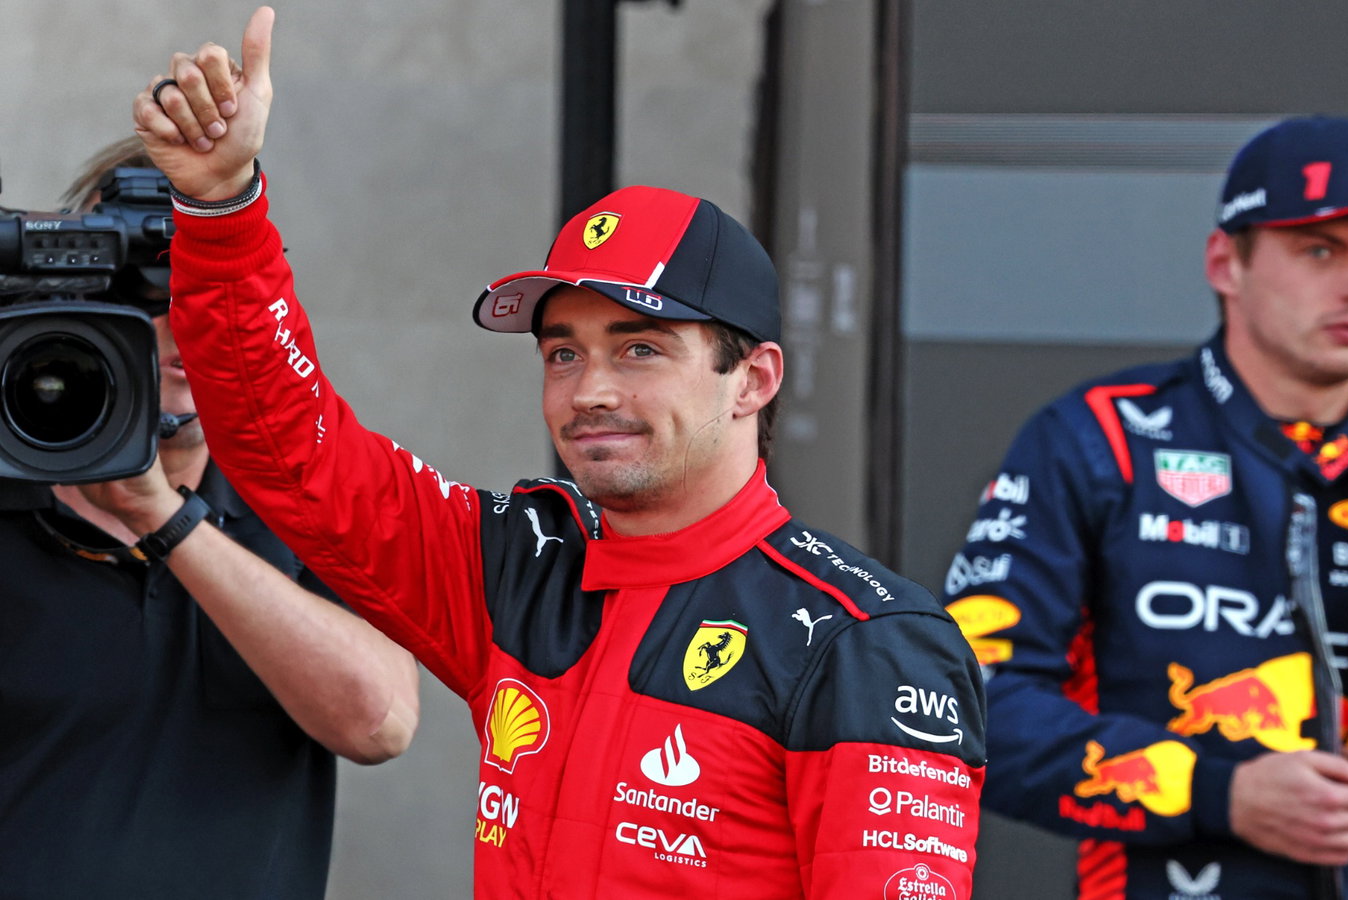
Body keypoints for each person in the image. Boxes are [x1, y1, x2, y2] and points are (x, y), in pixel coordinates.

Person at [129, 8, 985, 898]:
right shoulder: (521, 566)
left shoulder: (866, 644)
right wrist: (221, 205)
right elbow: (287, 447)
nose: (592, 390)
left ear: (754, 378)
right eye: (563, 352)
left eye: (641, 348)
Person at [942, 114, 1348, 899]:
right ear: (1227, 261)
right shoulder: (1100, 440)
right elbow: (964, 706)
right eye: (1321, 251)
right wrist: (1217, 792)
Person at [0, 136, 420, 898]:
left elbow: (379, 721)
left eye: (210, 292)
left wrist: (165, 518)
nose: (183, 328)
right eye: (150, 296)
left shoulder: (307, 494)